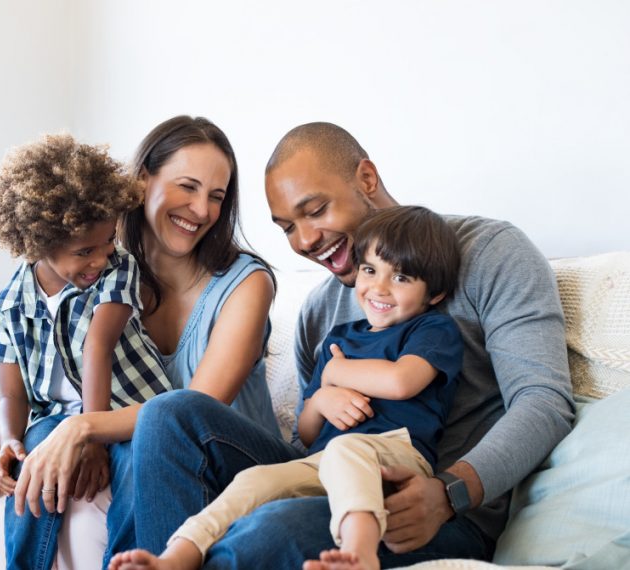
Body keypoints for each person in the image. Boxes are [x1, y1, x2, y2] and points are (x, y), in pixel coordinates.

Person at [128, 122, 575, 569]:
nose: (304, 242)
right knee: (169, 414)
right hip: (331, 473)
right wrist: (323, 398)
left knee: (268, 530)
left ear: (366, 179)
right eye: (287, 228)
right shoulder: (320, 310)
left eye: (316, 210)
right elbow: (310, 438)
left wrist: (449, 492)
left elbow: (543, 401)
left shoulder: (490, 253)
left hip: (430, 505)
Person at [0, 116, 282, 568]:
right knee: (47, 445)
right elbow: (56, 380)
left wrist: (83, 428)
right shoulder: (98, 274)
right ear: (142, 180)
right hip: (148, 446)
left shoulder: (246, 284)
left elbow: (193, 411)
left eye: (216, 196)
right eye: (187, 187)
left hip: (232, 458)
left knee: (161, 425)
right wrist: (15, 449)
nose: (202, 210)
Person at [110, 205, 463, 570]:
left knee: (347, 449)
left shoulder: (431, 330)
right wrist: (323, 394)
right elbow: (308, 432)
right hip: (322, 461)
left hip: (396, 456)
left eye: (402, 278)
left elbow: (401, 381)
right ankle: (177, 555)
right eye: (370, 270)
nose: (379, 288)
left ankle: (360, 554)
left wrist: (336, 373)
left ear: (434, 294)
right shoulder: (339, 338)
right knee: (255, 480)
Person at [0, 133, 175, 566]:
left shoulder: (117, 268)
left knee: (135, 465)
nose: (101, 257)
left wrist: (91, 438)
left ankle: (130, 561)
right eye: (84, 251)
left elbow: (98, 347)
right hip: (55, 420)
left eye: (108, 240)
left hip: (128, 410)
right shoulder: (10, 307)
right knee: (31, 461)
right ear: (38, 243)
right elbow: (12, 395)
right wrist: (8, 441)